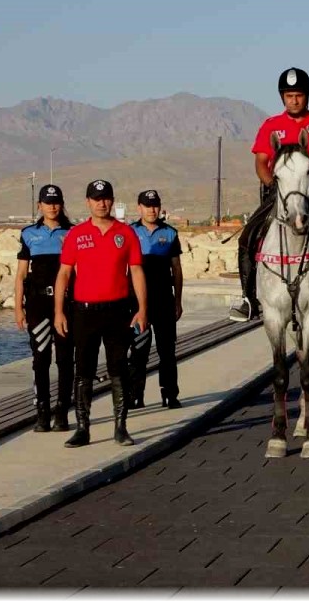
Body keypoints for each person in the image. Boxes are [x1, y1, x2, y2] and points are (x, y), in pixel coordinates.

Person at [228, 67, 309, 320]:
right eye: (289, 96)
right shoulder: (271, 125)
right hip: (277, 196)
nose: (294, 100)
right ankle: (247, 297)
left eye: (298, 95)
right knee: (247, 237)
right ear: (282, 98)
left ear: (307, 96)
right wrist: (271, 185)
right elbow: (261, 162)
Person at [53, 180, 148, 448]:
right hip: (84, 312)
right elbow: (64, 274)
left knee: (119, 369)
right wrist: (59, 311)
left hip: (118, 310)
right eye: (96, 198)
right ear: (88, 202)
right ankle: (83, 429)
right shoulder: (76, 234)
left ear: (112, 200)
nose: (102, 203)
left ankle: (121, 426)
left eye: (106, 198)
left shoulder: (126, 234)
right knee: (83, 370)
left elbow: (137, 272)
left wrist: (142, 309)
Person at [13, 184, 75, 433]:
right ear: (39, 205)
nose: (52, 206)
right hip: (38, 304)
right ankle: (42, 412)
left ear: (61, 204)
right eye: (47, 202)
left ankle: (62, 412)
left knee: (65, 360)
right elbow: (20, 276)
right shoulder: (29, 234)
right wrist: (18, 308)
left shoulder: (72, 233)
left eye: (56, 201)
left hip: (66, 304)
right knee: (40, 360)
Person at [128, 190, 184, 410]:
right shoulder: (130, 232)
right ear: (139, 208)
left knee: (167, 351)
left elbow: (177, 269)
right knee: (139, 350)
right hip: (136, 302)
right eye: (147, 205)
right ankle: (135, 395)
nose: (152, 210)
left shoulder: (169, 233)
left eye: (155, 205)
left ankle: (170, 395)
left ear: (160, 208)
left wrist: (178, 301)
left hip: (163, 300)